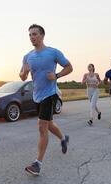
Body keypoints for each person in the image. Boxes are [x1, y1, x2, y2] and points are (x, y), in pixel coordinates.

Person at [19, 24, 73, 176]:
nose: (32, 37)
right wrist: (25, 71)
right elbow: (22, 76)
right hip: (37, 95)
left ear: (42, 35)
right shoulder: (27, 56)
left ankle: (37, 164)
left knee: (42, 126)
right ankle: (63, 138)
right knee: (48, 124)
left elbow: (69, 67)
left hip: (50, 94)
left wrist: (56, 76)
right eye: (30, 35)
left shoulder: (53, 52)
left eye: (34, 34)